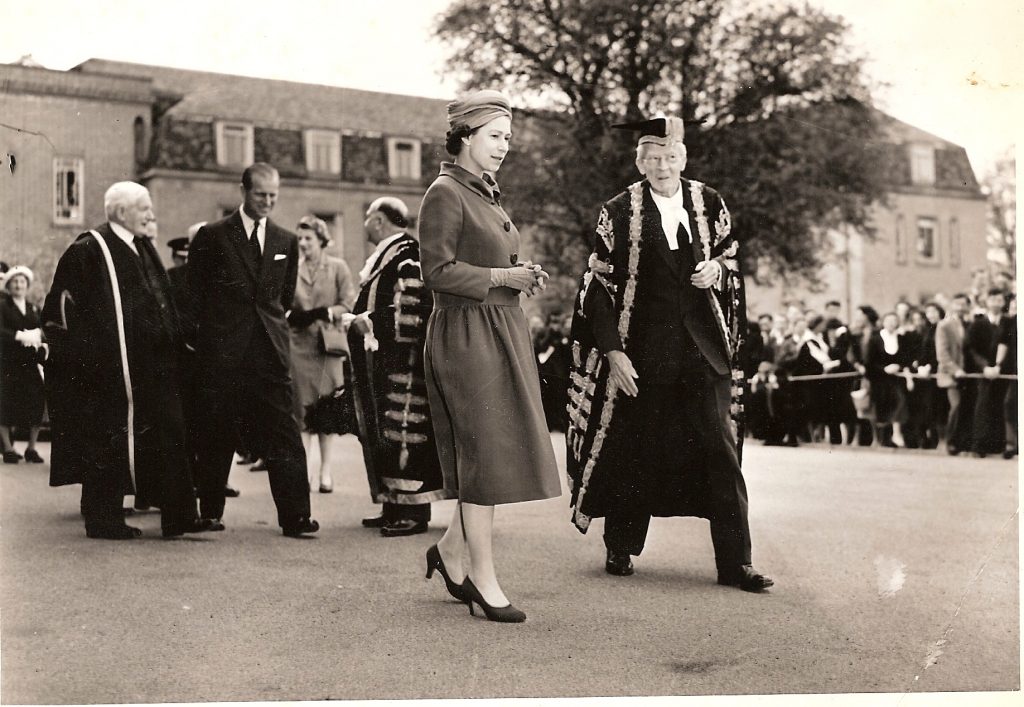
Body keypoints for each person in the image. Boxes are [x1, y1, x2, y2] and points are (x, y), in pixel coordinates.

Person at [566, 114, 772, 592]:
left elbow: (731, 262)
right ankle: (621, 545)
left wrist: (717, 273)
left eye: (670, 157)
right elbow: (598, 288)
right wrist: (615, 354)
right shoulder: (617, 211)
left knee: (722, 453)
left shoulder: (709, 202)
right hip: (644, 352)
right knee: (635, 449)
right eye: (652, 158)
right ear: (639, 162)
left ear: (684, 158)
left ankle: (736, 563)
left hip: (703, 352)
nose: (662, 166)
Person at [419, 89, 561, 622]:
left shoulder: (483, 192)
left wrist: (521, 276)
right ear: (466, 136)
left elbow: (484, 261)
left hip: (496, 330)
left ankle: (451, 551)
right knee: (484, 457)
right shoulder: (445, 192)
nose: (505, 146)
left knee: (492, 455)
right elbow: (435, 272)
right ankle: (483, 577)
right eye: (496, 136)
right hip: (466, 337)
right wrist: (503, 276)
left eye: (507, 138)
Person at [40, 182, 216, 539]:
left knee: (169, 433)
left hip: (154, 366)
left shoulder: (141, 246)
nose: (151, 215)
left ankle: (178, 514)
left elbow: (161, 302)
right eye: (144, 208)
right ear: (122, 212)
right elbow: (61, 310)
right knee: (109, 439)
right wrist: (89, 361)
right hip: (111, 370)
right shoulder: (91, 249)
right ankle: (102, 518)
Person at [182, 163, 318, 537]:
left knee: (284, 433)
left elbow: (283, 297)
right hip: (222, 352)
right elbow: (194, 295)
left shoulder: (285, 240)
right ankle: (209, 511)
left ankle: (297, 517)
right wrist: (206, 342)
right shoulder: (212, 236)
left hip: (270, 353)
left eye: (274, 195)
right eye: (261, 195)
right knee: (215, 432)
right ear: (243, 191)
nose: (268, 202)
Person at [349, 197, 453, 537]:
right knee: (387, 435)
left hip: (404, 365)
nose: (364, 223)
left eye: (368, 218)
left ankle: (413, 511)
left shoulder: (408, 254)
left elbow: (412, 309)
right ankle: (393, 503)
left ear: (379, 221)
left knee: (406, 434)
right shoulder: (390, 254)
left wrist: (368, 321)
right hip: (385, 362)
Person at [285, 215, 356, 494]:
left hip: (327, 345)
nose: (303, 244)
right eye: (300, 238)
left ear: (321, 240)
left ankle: (326, 472)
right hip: (299, 345)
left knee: (325, 411)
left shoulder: (337, 267)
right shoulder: (294, 269)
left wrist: (326, 312)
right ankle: (303, 471)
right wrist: (296, 315)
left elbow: (348, 301)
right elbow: (283, 304)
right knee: (301, 408)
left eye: (308, 238)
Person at [0, 266, 46, 464]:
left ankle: (31, 448)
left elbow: (44, 329)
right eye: (15, 282)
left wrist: (40, 339)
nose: (19, 285)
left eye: (22, 282)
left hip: (30, 363)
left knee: (36, 402)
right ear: (9, 286)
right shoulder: (2, 306)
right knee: (6, 403)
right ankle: (8, 449)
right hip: (8, 362)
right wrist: (19, 336)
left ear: (27, 286)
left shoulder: (33, 308)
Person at [966, 288, 1008, 457]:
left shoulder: (1009, 322)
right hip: (983, 372)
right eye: (993, 300)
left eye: (1000, 300)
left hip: (1002, 371)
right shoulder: (978, 323)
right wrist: (984, 367)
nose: (996, 303)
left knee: (1000, 405)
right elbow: (972, 349)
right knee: (982, 405)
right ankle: (979, 444)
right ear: (987, 301)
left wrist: (999, 366)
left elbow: (1009, 346)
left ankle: (997, 444)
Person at [865, 312, 910, 447]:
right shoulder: (875, 339)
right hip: (880, 380)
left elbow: (905, 358)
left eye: (894, 320)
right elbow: (869, 362)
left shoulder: (901, 339)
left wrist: (899, 366)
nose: (891, 323)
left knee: (900, 402)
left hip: (896, 379)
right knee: (882, 409)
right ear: (883, 322)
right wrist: (884, 369)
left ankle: (897, 433)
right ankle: (882, 439)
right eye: (888, 320)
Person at [935, 293, 971, 455]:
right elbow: (942, 353)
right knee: (955, 405)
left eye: (963, 305)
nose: (960, 308)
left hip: (968, 373)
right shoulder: (944, 325)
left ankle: (963, 441)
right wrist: (955, 369)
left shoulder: (971, 323)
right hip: (951, 374)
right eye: (957, 304)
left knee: (966, 406)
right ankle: (950, 441)